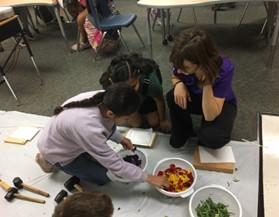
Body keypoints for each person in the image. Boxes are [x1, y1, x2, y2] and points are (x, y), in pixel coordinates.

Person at [36, 84, 168, 189]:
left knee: (102, 163)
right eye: (127, 117)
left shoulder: (105, 98)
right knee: (103, 178)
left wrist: (119, 138)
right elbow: (116, 165)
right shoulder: (87, 128)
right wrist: (149, 178)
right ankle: (46, 160)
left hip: (70, 137)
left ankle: (82, 153)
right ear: (111, 113)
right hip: (58, 151)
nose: (129, 120)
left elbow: (106, 125)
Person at [166, 28, 237, 149]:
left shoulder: (225, 68)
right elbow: (175, 74)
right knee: (172, 96)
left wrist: (207, 82)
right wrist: (178, 83)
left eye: (186, 68)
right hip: (195, 96)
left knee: (212, 138)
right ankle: (185, 130)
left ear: (202, 63)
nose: (179, 70)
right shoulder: (182, 59)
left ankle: (204, 131)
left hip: (219, 103)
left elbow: (210, 115)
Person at [99, 54, 171, 133]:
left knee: (154, 122)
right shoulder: (109, 82)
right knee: (136, 124)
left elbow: (159, 101)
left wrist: (163, 120)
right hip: (129, 101)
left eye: (132, 87)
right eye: (121, 89)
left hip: (145, 97)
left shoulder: (151, 83)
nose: (128, 92)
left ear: (138, 75)